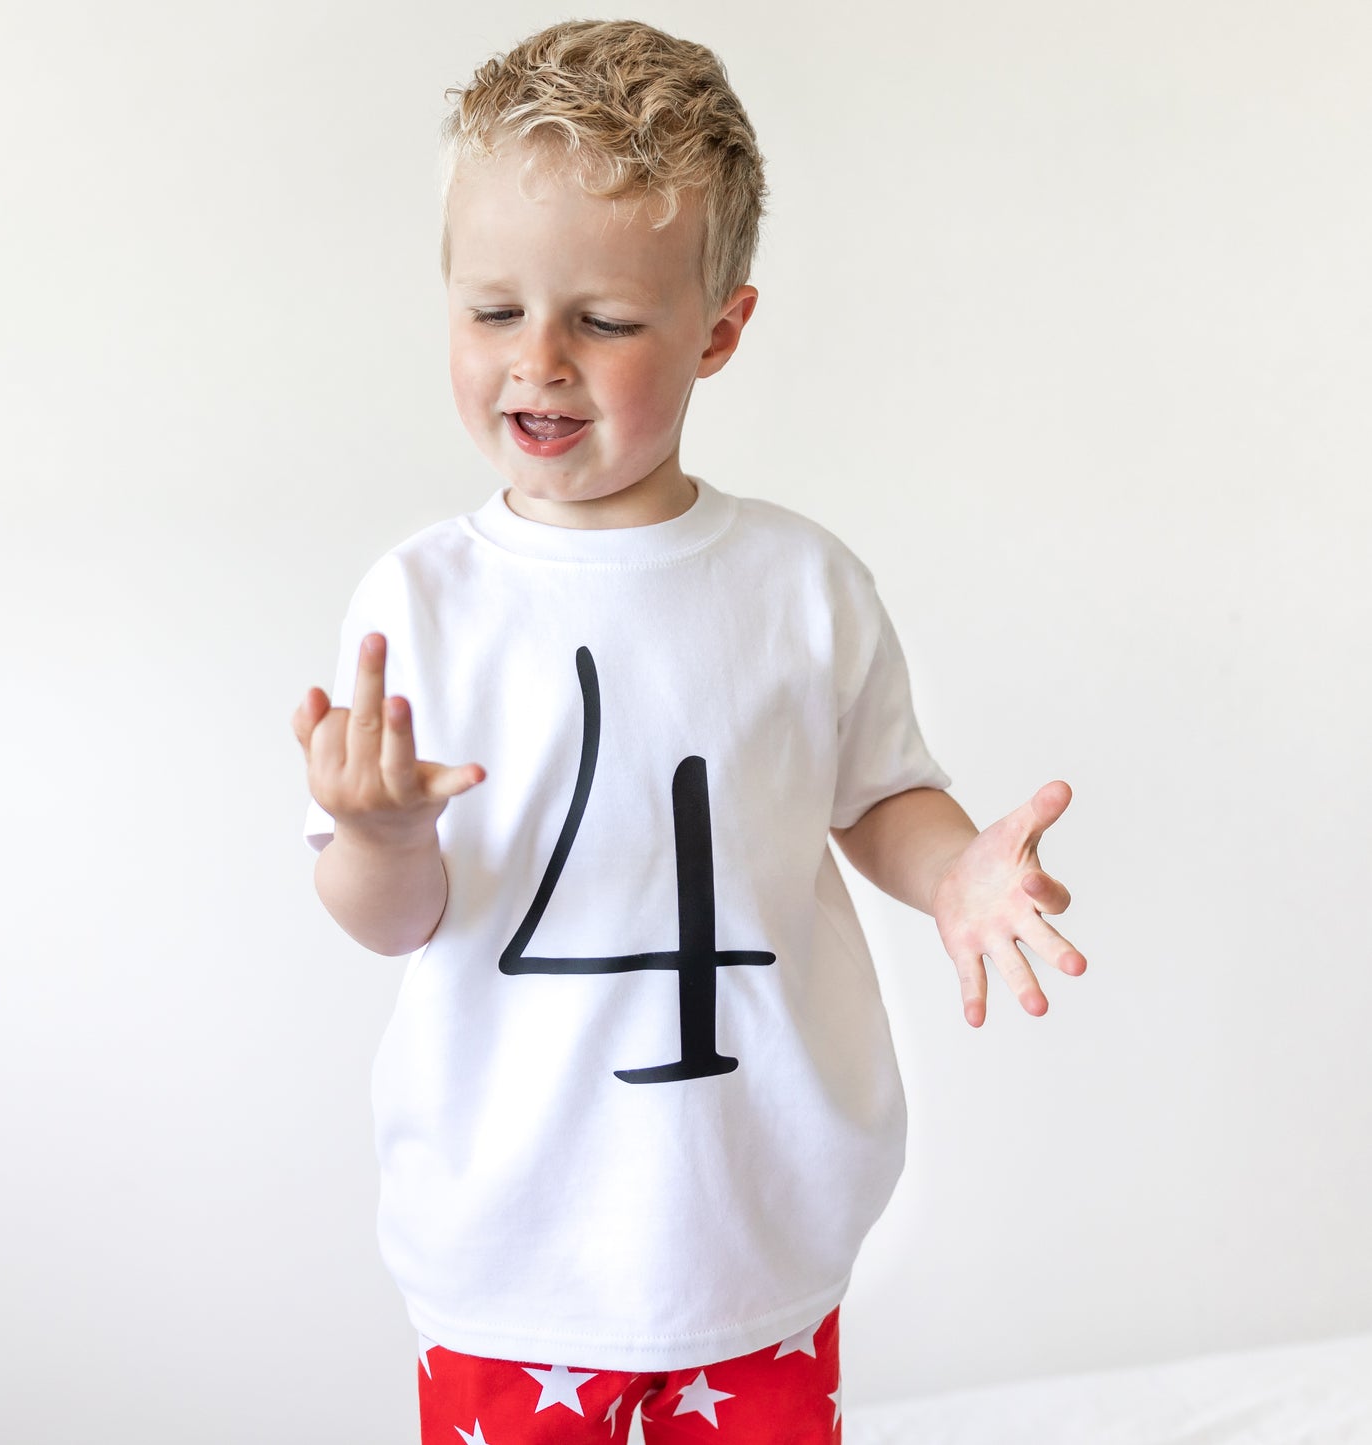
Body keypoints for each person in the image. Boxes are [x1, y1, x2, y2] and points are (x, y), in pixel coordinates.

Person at [291, 19, 1086, 1444]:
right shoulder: (421, 601)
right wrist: (378, 833)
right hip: (510, 1259)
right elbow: (390, 919)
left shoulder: (799, 584)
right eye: (492, 311)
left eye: (602, 321)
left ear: (718, 329)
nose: (538, 360)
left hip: (750, 1238)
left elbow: (877, 793)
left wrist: (954, 869)